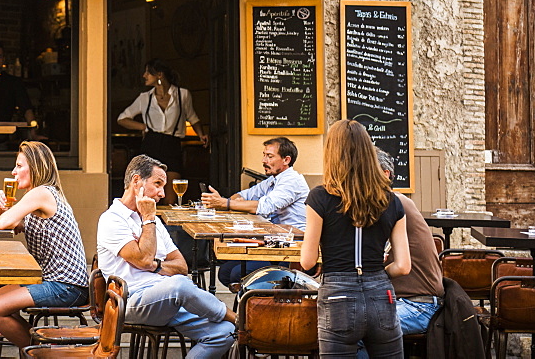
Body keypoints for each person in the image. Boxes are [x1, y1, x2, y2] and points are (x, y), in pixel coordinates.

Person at [97, 154, 235, 359]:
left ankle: (231, 323)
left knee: (224, 333)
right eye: (158, 184)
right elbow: (143, 259)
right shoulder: (112, 220)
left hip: (167, 299)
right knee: (179, 285)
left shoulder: (154, 221)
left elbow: (181, 266)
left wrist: (155, 266)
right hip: (131, 301)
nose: (163, 193)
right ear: (137, 182)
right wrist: (148, 218)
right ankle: (236, 318)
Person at [300, 120, 411, 358]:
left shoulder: (320, 197)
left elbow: (307, 261)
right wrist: (378, 274)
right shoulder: (392, 201)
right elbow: (403, 266)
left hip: (337, 295)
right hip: (382, 294)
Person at [0, 141, 89, 348]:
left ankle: (42, 354)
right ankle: (43, 350)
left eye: (19, 166)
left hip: (66, 285)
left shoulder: (42, 192)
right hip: (48, 281)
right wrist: (0, 207)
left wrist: (6, 206)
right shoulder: (35, 196)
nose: (13, 171)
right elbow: (4, 228)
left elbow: (6, 222)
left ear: (34, 168)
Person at [200, 136, 310, 287]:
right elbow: (245, 195)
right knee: (225, 272)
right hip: (271, 242)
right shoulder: (273, 180)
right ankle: (252, 301)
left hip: (291, 250)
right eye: (264, 155)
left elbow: (264, 207)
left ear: (286, 160)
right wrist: (232, 201)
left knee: (237, 274)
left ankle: (261, 302)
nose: (264, 160)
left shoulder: (291, 181)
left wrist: (225, 203)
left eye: (270, 156)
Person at [374, 148, 443, 339]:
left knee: (363, 329)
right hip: (404, 301)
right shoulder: (392, 203)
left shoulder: (394, 203)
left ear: (385, 174)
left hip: (419, 305)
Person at [117, 59, 208, 183]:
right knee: (149, 190)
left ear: (159, 75)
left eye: (148, 72)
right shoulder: (145, 98)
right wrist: (144, 127)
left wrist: (201, 135)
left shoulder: (182, 95)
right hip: (151, 144)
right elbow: (122, 119)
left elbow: (193, 117)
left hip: (172, 145)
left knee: (171, 193)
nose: (144, 75)